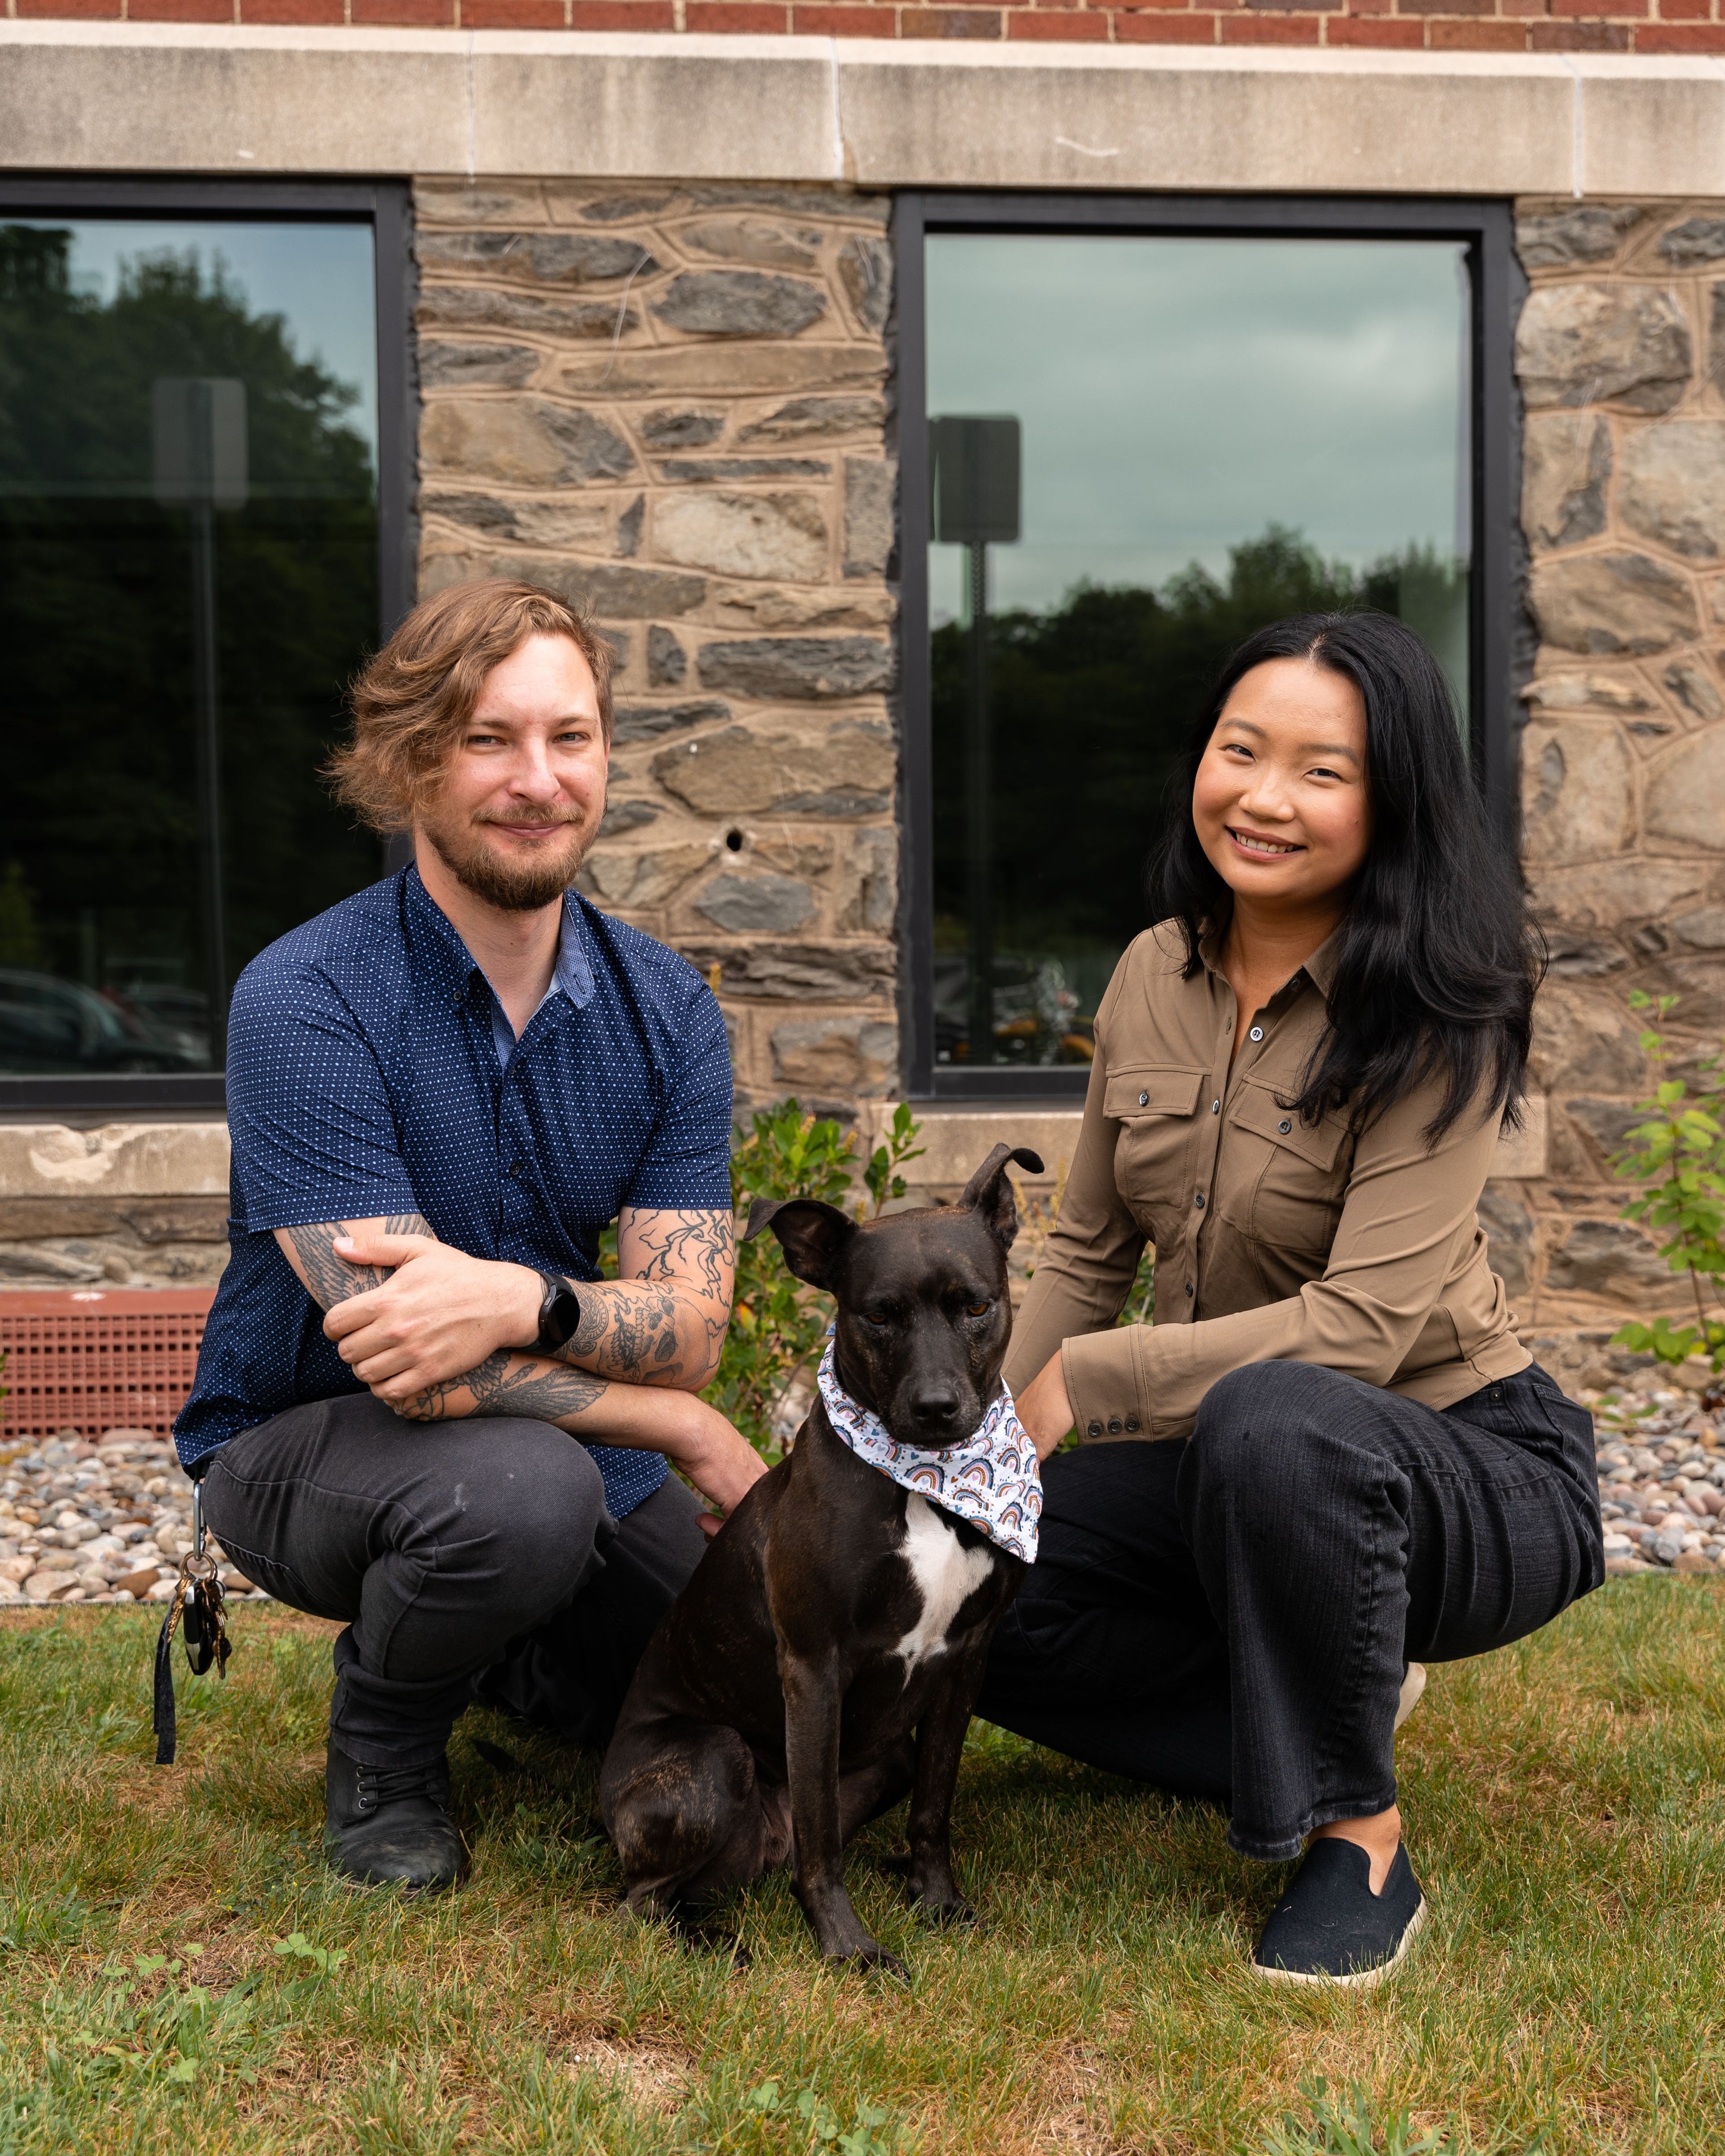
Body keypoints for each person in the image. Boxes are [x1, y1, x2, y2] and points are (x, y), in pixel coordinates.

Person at [978, 611, 1602, 1988]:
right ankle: (1302, 1714)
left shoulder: (1441, 1005)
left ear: (1393, 803)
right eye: (1239, 752)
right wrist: (958, 1450)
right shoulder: (1152, 968)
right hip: (1225, 1471)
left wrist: (1090, 1384)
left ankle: (1356, 1834)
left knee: (1277, 1417)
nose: (1263, 798)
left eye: (1322, 771)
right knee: (966, 1575)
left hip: (1460, 1462)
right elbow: (1085, 1253)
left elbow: (1362, 1331)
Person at [175, 578, 767, 1894]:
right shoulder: (306, 997)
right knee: (521, 1497)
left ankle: (516, 1660)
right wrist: (673, 1429)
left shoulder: (667, 1011)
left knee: (751, 1680)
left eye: (571, 737)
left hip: (556, 1443)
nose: (536, 780)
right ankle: (384, 1755)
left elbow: (690, 1330)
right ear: (408, 763)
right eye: (487, 739)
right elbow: (412, 1364)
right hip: (311, 1442)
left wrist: (522, 1301)